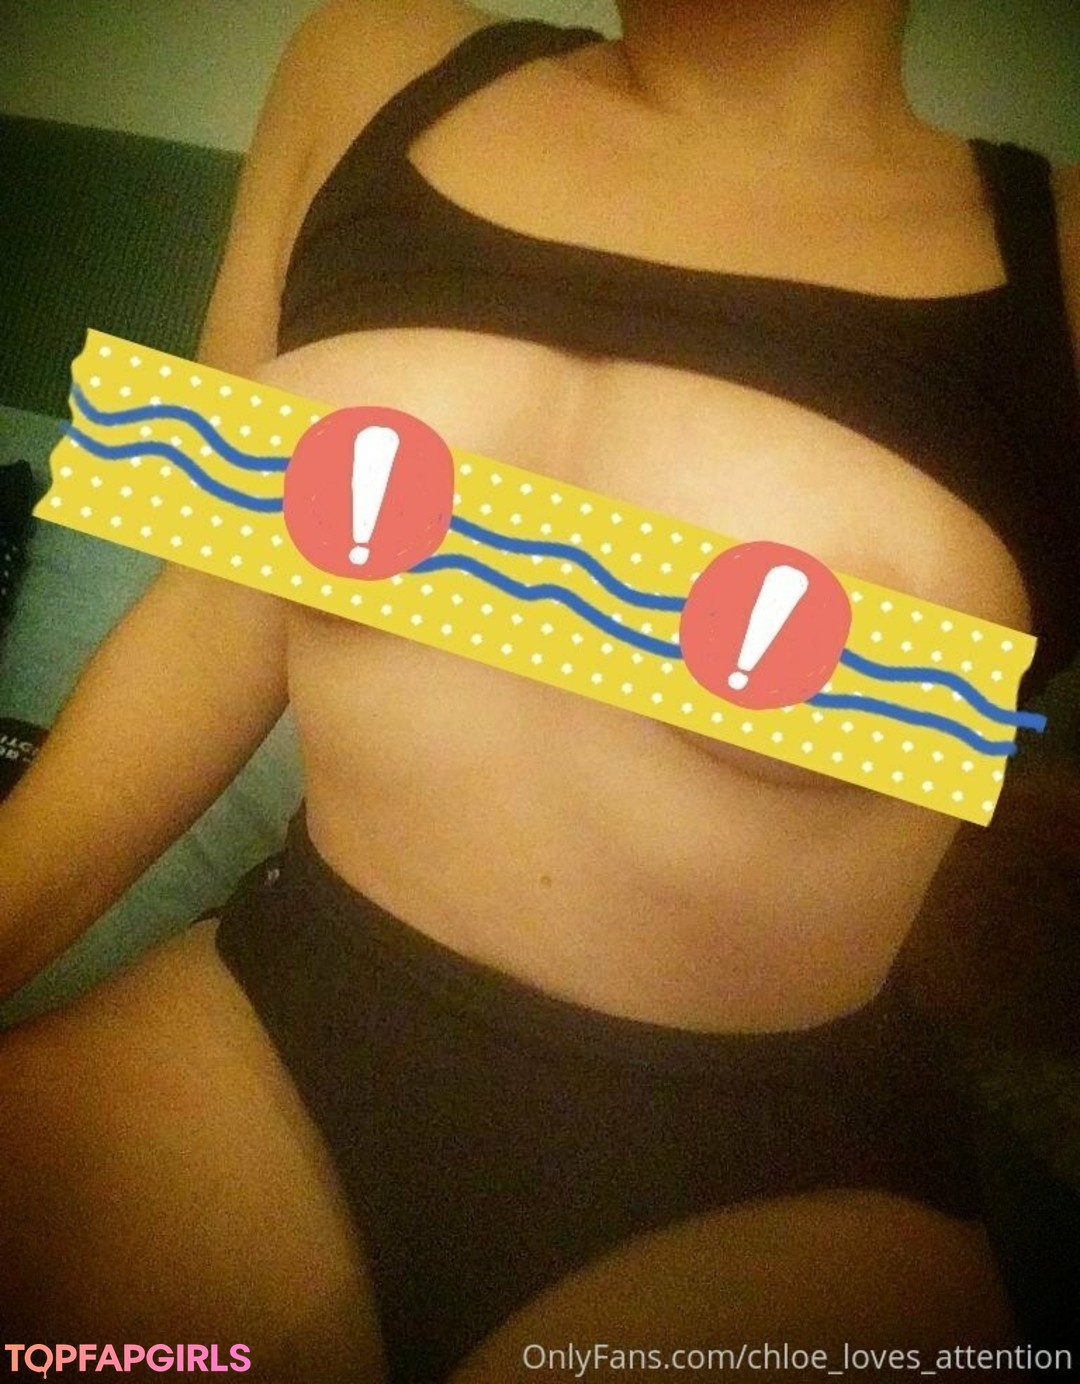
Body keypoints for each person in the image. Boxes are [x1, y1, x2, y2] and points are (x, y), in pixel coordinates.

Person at [1, 1, 1078, 1379]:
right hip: (275, 1028)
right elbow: (218, 604)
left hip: (773, 1174)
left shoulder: (1060, 265)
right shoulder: (366, 64)